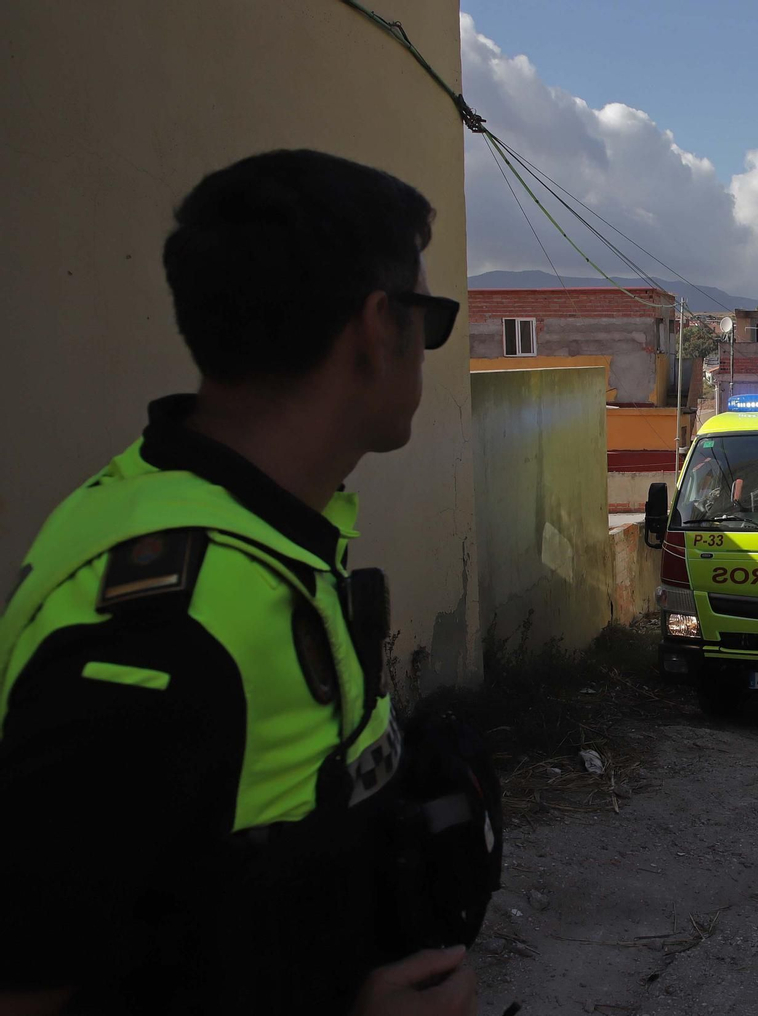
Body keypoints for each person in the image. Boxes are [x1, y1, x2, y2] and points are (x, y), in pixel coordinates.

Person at [0, 151, 481, 1016]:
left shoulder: (237, 522)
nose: (428, 347)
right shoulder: (160, 633)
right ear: (377, 328)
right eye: (430, 317)